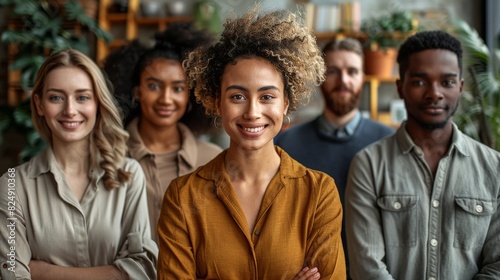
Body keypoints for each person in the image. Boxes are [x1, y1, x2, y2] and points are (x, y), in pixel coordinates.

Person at [156, 6, 346, 280]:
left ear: (285, 105)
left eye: (267, 97)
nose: (253, 112)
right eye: (237, 97)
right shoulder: (182, 197)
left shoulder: (319, 194)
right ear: (216, 102)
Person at [345, 30, 500, 280]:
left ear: (460, 87)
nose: (434, 93)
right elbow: (367, 267)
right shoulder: (369, 165)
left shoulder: (494, 168)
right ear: (400, 87)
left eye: (447, 82)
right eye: (419, 82)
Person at [0, 49, 157, 279]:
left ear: (97, 104)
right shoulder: (12, 185)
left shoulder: (128, 175)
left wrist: (42, 271)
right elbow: (12, 273)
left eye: (82, 97)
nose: (70, 110)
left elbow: (142, 270)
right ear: (40, 104)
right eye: (56, 97)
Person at [274, 37, 394, 269]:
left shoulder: (389, 142)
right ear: (320, 78)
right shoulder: (285, 144)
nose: (344, 81)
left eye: (352, 71)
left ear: (363, 77)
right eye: (333, 72)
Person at [103, 22, 223, 243]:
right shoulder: (108, 155)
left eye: (178, 88)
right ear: (137, 91)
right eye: (154, 86)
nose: (166, 99)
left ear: (191, 96)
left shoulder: (213, 159)